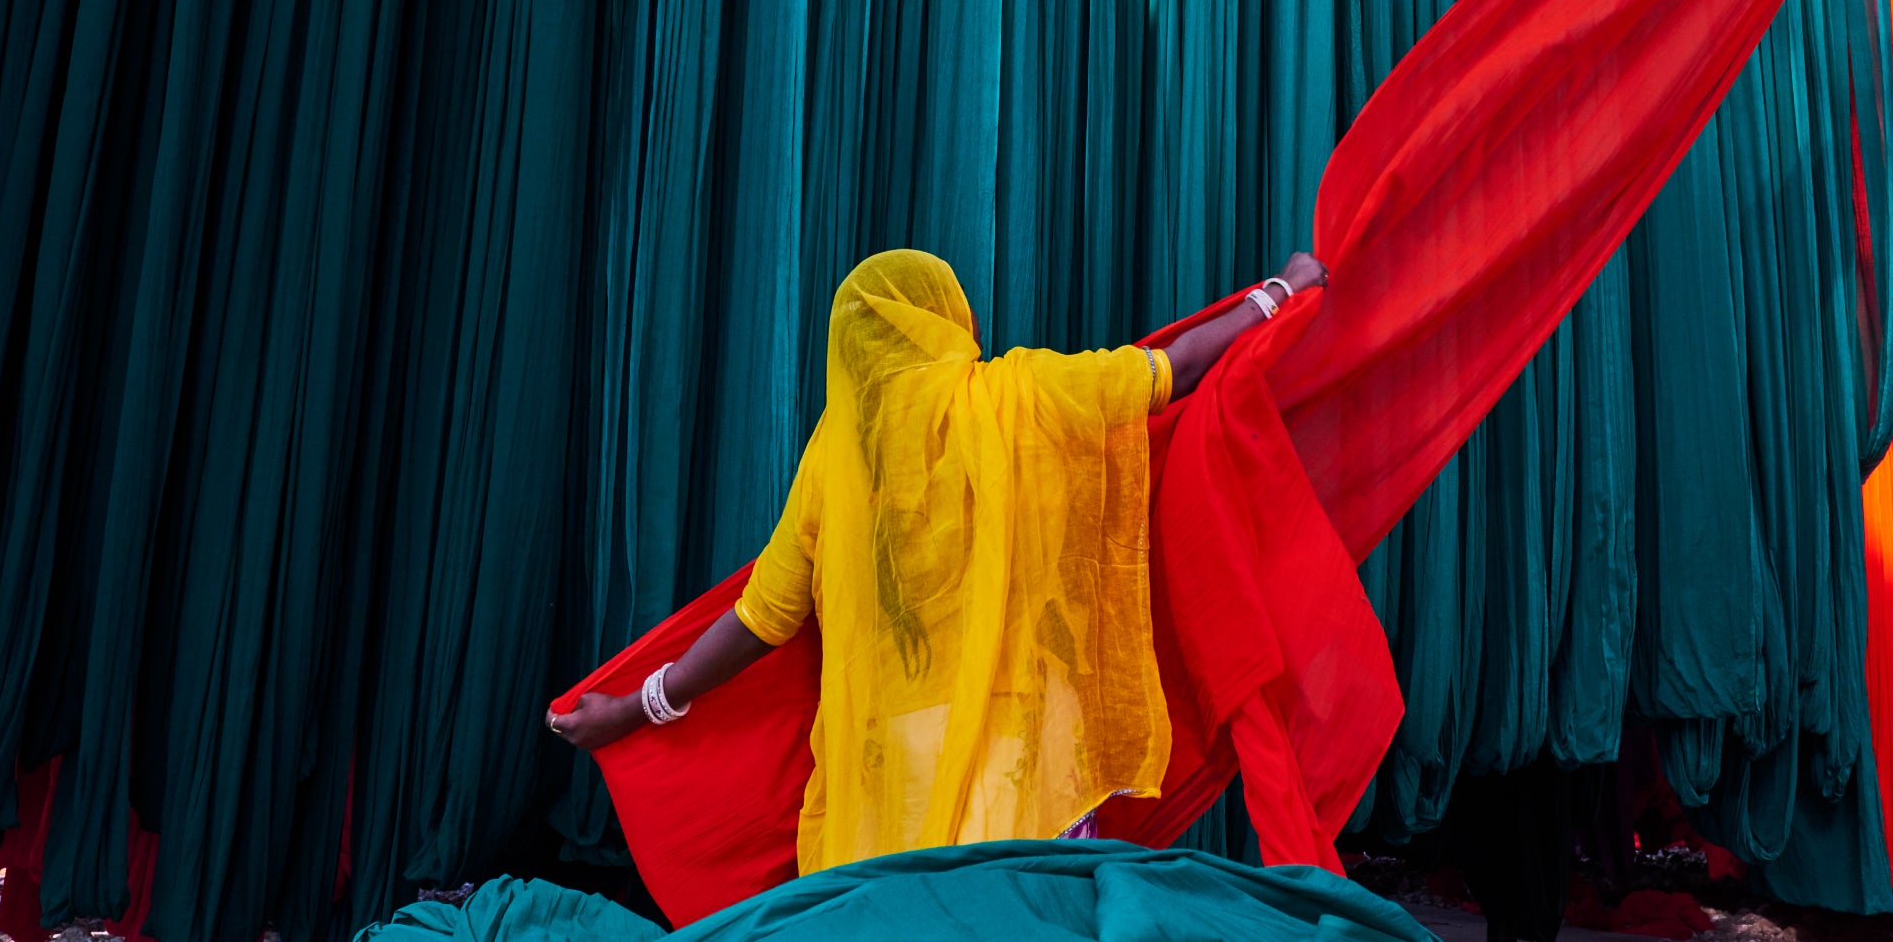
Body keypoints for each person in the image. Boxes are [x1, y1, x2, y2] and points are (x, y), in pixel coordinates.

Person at [547, 247, 1329, 875]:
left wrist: (633, 708)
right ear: (945, 319)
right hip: (1022, 768)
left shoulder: (835, 463)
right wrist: (1283, 291)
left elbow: (762, 619)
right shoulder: (1019, 394)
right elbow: (1175, 370)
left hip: (887, 785)